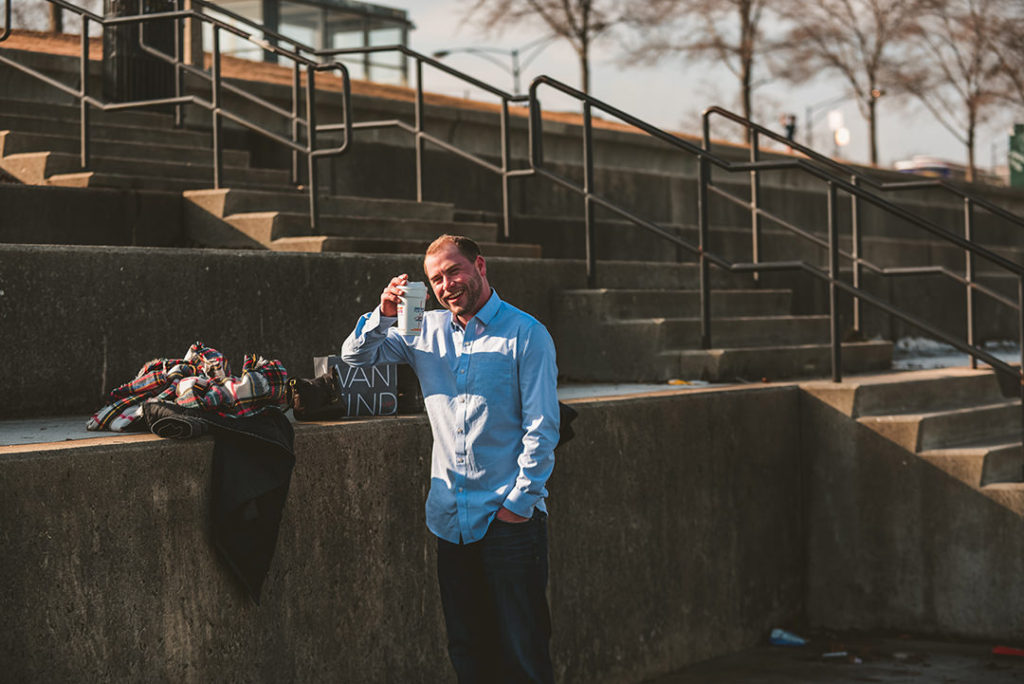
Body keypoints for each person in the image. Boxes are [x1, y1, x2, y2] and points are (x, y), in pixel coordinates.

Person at [341, 234, 560, 683]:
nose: (446, 285)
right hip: (451, 522)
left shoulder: (527, 333)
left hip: (510, 522)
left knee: (523, 650)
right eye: (435, 279)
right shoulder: (422, 329)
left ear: (480, 266)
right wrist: (383, 314)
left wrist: (517, 506)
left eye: (453, 271)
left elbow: (542, 428)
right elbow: (356, 355)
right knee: (467, 648)